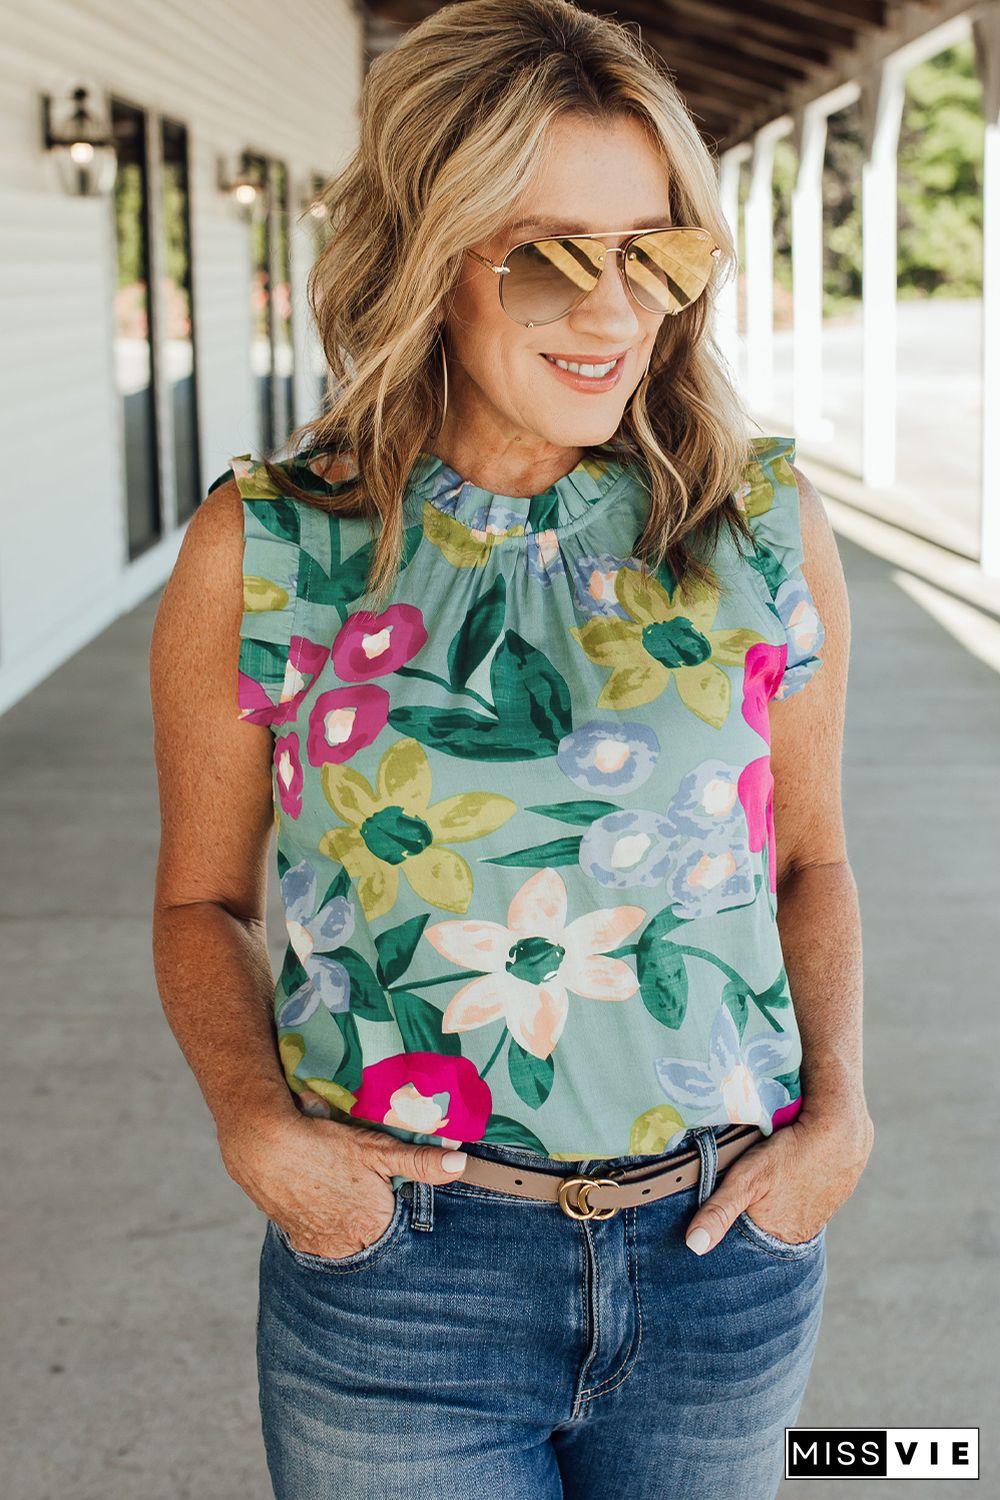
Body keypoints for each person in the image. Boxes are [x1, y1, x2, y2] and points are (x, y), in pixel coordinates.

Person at [149, 0, 874, 1494]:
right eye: (549, 253)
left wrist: (842, 1116)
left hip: (721, 1255)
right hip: (405, 1276)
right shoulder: (273, 545)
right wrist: (256, 1128)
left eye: (656, 255)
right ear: (429, 254)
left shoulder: (758, 529)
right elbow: (197, 903)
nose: (614, 313)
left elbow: (808, 855)